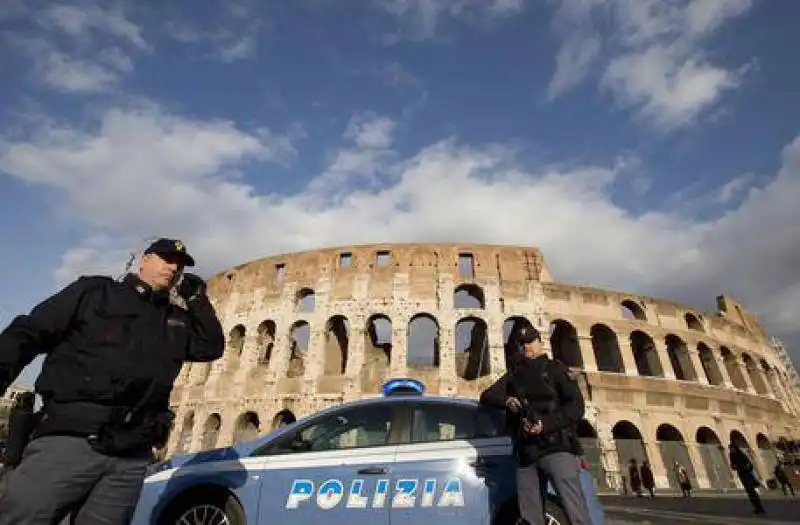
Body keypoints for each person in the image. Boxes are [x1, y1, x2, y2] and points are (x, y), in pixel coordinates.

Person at [0, 238, 225, 524]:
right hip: (72, 437)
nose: (173, 267)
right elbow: (29, 333)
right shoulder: (95, 292)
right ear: (144, 259)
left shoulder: (175, 320)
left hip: (131, 453)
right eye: (166, 258)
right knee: (23, 517)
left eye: (179, 265)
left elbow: (211, 346)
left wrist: (197, 300)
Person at [480, 325, 592, 525]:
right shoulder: (514, 374)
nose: (527, 347)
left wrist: (545, 424)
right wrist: (507, 401)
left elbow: (576, 407)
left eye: (531, 341)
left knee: (575, 511)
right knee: (529, 515)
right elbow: (487, 396)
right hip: (527, 452)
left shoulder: (555, 368)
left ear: (540, 342)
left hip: (556, 446)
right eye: (522, 344)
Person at [729, 443, 765, 515]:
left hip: (747, 474)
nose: (731, 450)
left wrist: (746, 467)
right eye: (730, 449)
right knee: (750, 492)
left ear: (735, 448)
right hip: (742, 475)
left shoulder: (741, 455)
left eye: (732, 448)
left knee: (752, 492)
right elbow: (733, 467)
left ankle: (759, 508)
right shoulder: (732, 456)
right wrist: (736, 466)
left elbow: (750, 465)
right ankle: (757, 508)